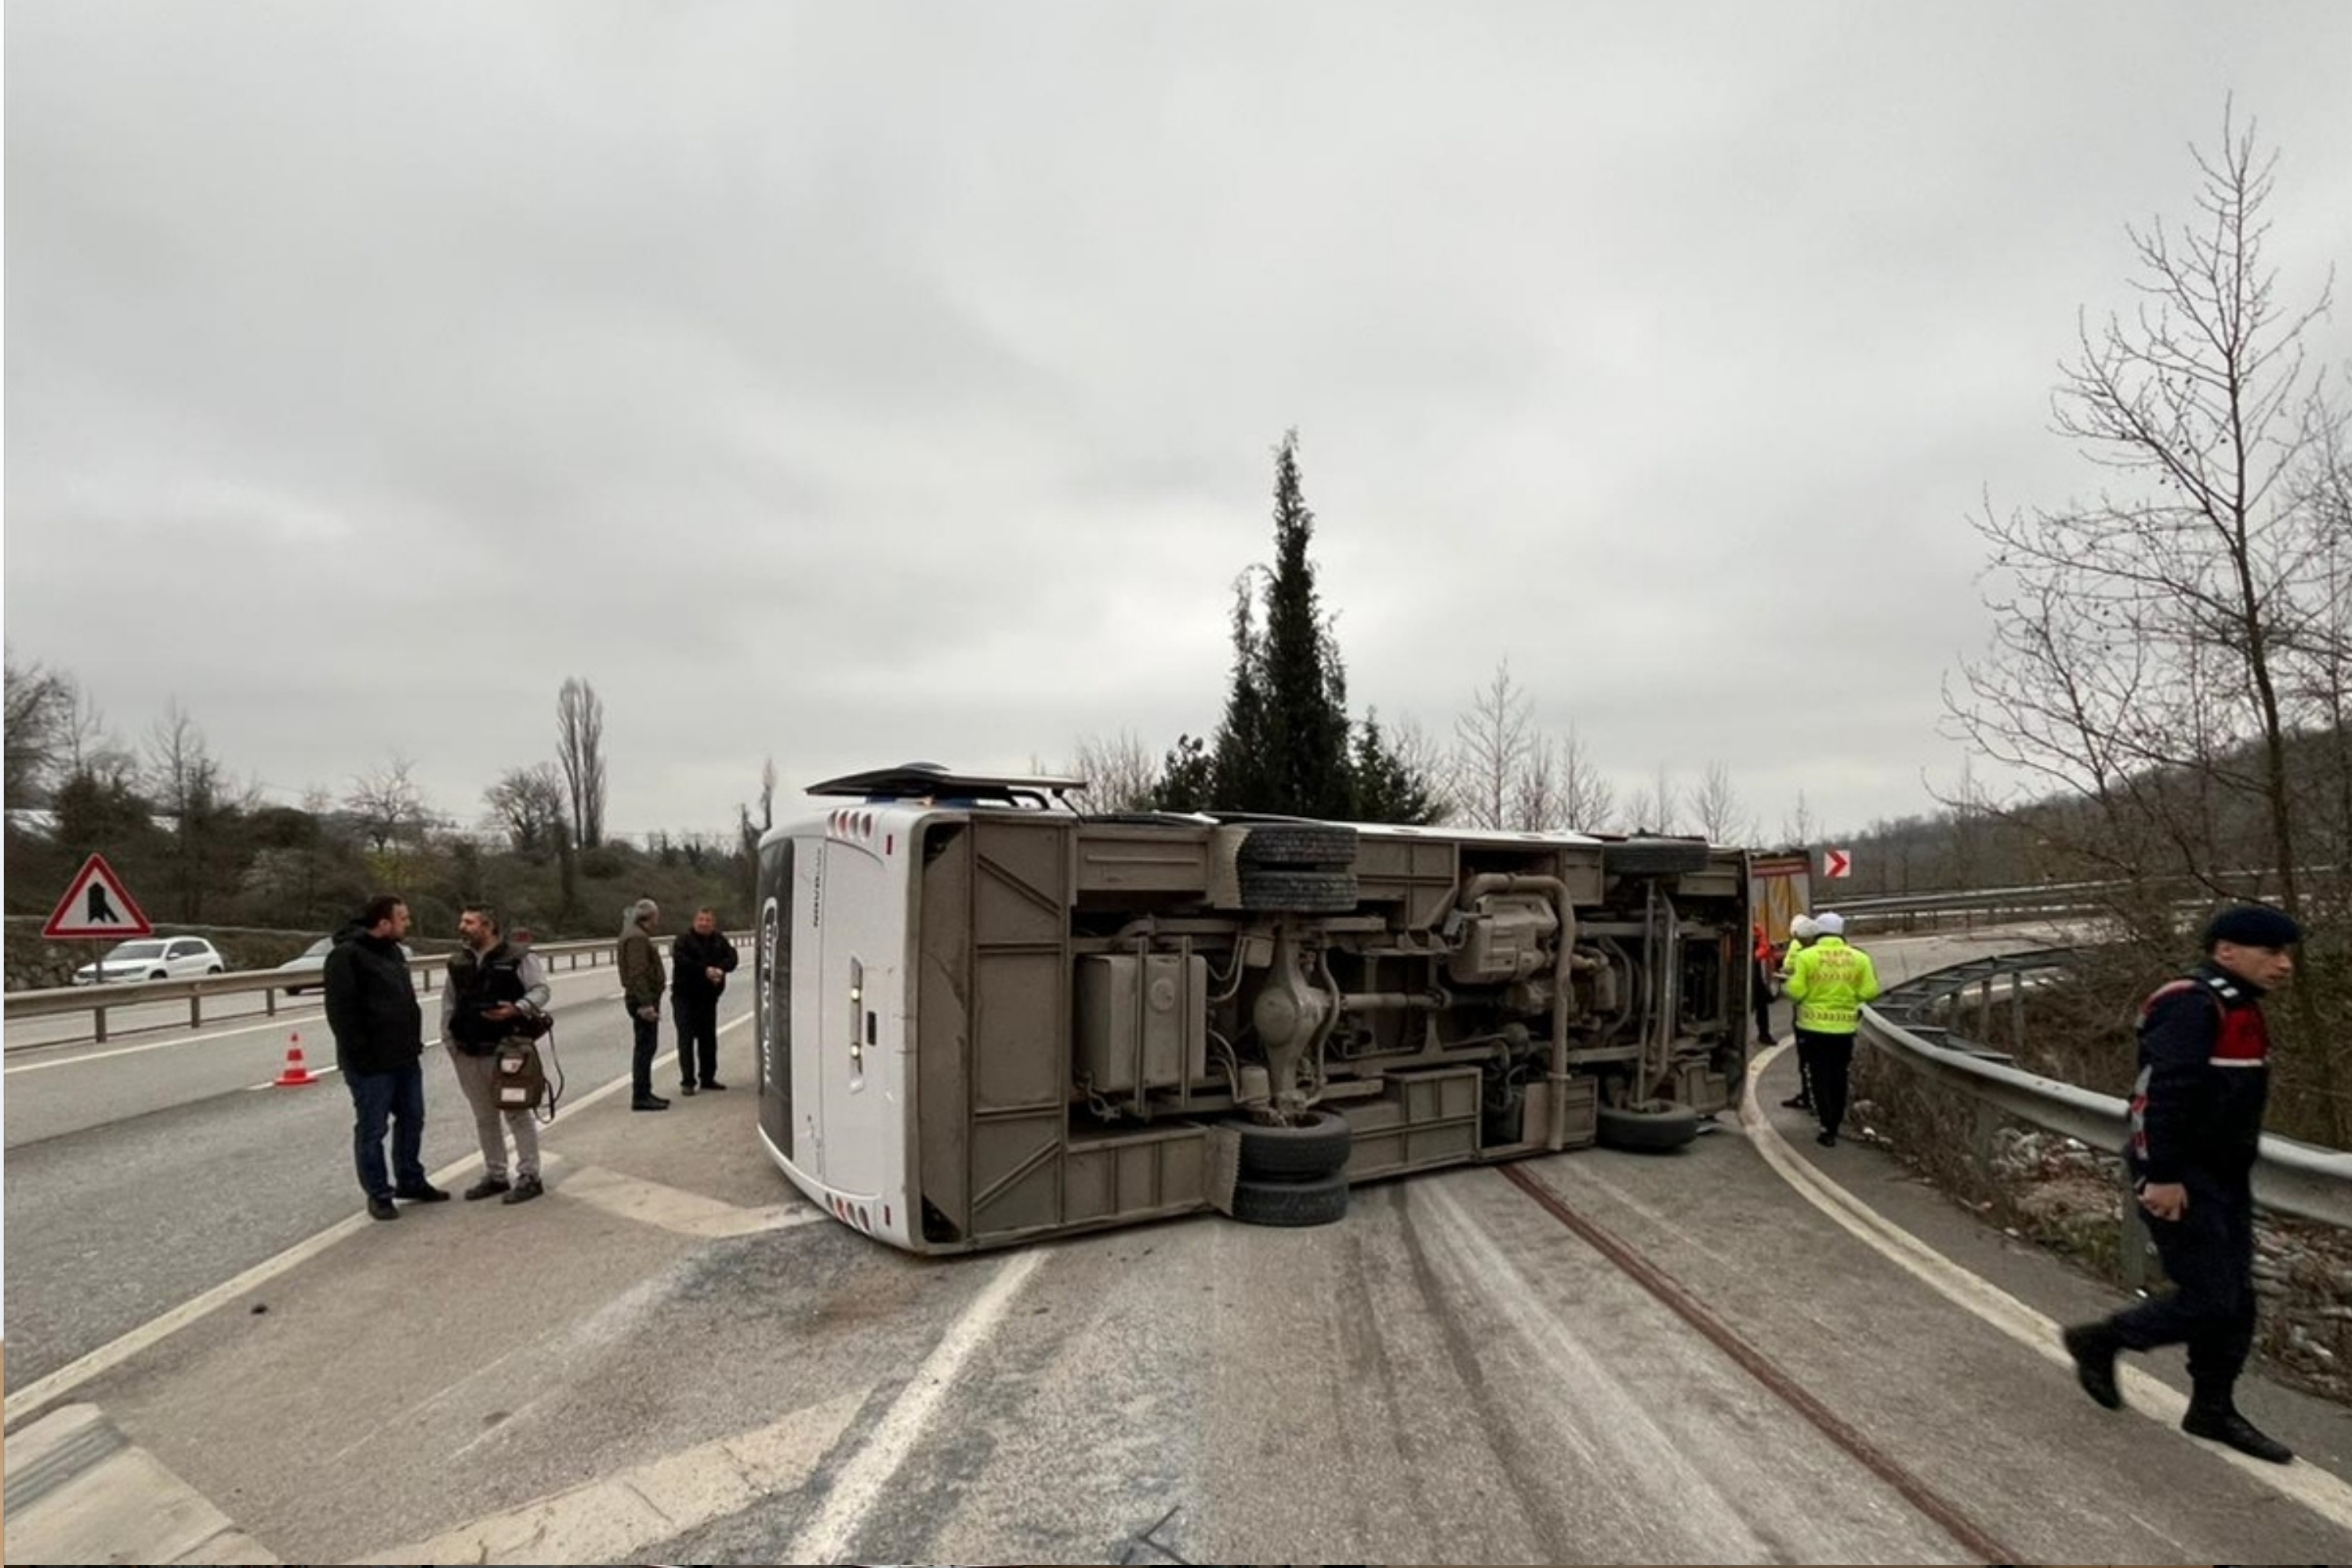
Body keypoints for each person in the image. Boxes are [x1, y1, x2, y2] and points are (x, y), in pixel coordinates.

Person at [2060, 903, 2304, 1465]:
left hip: (2224, 1177)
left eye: (2287, 953)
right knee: (2212, 1298)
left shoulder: (2240, 1007)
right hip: (2182, 1178)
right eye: (2272, 952)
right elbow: (2156, 1098)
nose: (2285, 965)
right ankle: (2104, 1338)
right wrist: (2161, 1175)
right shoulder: (2192, 1005)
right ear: (2227, 951)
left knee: (2237, 1300)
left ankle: (2212, 1409)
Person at [321, 895, 448, 1221]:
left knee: (412, 1120)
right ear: (383, 923)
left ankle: (411, 1180)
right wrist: (360, 1056)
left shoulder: (393, 952)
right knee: (372, 1129)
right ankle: (378, 1193)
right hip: (370, 1063)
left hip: (404, 1056)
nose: (408, 924)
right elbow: (341, 1013)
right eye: (403, 918)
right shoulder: (346, 957)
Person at [442, 904, 550, 1204]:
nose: (462, 927)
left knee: (517, 1112)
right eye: (462, 921)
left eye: (469, 922)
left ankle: (530, 1174)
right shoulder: (458, 962)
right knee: (484, 1116)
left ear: (488, 926)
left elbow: (541, 990)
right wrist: (450, 1042)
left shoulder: (519, 957)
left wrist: (518, 1008)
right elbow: (449, 1003)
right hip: (468, 1051)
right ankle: (496, 1174)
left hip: (508, 1050)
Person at [1781, 910, 1878, 1148]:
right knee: (1839, 1075)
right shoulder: (1860, 958)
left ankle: (1826, 1126)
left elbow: (1796, 991)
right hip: (1844, 1029)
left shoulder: (1807, 957)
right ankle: (1835, 1120)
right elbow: (1871, 991)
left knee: (1819, 1076)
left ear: (1818, 932)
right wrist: (1850, 998)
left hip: (1812, 1028)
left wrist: (1790, 991)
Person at [670, 906, 739, 1095]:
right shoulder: (683, 940)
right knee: (686, 1039)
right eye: (701, 920)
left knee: (708, 1040)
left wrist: (720, 969)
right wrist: (705, 970)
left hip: (708, 999)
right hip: (685, 997)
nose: (704, 923)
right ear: (695, 921)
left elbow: (732, 958)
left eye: (708, 920)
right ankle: (688, 1081)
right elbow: (681, 961)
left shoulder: (719, 940)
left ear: (713, 923)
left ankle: (708, 1078)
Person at [618, 897, 669, 1111]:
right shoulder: (637, 938)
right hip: (641, 1001)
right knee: (645, 1047)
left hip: (642, 998)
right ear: (651, 916)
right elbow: (638, 972)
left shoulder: (635, 934)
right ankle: (641, 1095)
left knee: (647, 1046)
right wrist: (646, 1004)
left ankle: (645, 1092)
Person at [1777, 913, 1821, 1111]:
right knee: (1833, 1068)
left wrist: (1785, 985)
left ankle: (1810, 1099)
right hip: (1843, 1024)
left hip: (1808, 1018)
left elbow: (1792, 984)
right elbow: (1867, 991)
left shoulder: (1801, 952)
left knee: (1808, 1062)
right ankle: (1827, 1105)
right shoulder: (1848, 955)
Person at [1750, 920, 1778, 1047]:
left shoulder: (1755, 928)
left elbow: (1764, 946)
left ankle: (1764, 1034)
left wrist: (1753, 956)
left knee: (1762, 1003)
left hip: (1752, 969)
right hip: (1733, 967)